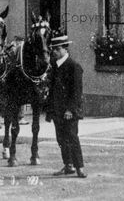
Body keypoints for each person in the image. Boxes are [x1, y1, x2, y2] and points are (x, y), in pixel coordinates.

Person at [46, 34, 87, 178]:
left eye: (56, 50)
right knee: (61, 139)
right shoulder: (56, 66)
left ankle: (79, 166)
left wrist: (70, 109)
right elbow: (52, 90)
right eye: (53, 50)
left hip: (69, 111)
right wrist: (49, 110)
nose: (54, 53)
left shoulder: (73, 66)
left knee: (72, 137)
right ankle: (68, 164)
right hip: (57, 110)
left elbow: (77, 92)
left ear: (64, 49)